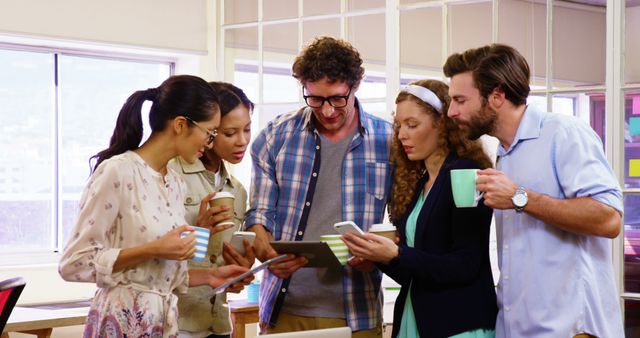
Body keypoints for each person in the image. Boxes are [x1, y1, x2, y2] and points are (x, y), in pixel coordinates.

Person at [444, 44, 624, 338]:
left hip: (570, 331)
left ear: (497, 96)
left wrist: (519, 198)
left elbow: (608, 219)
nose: (452, 112)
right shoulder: (503, 152)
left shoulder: (564, 133)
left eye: (460, 100)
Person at [59, 75, 249, 338]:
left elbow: (159, 275)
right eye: (210, 132)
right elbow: (73, 263)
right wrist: (154, 249)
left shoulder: (173, 182)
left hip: (161, 323)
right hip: (122, 321)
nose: (209, 142)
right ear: (181, 124)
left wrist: (211, 276)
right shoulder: (118, 171)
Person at [244, 36, 393, 337]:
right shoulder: (275, 136)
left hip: (358, 312)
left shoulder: (389, 141)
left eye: (338, 98)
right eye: (315, 98)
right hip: (284, 310)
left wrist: (380, 253)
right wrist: (266, 252)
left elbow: (405, 221)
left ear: (355, 87)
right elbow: (259, 215)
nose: (326, 111)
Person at [342, 80, 498, 338]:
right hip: (419, 319)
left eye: (412, 125)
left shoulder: (465, 175)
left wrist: (396, 254)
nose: (402, 134)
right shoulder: (420, 184)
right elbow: (415, 272)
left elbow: (465, 265)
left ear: (442, 124)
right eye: (399, 125)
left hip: (458, 324)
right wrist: (379, 257)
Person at [168, 82, 256, 338]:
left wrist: (240, 268)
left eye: (247, 129)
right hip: (177, 322)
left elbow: (218, 260)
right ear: (210, 129)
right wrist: (199, 232)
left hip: (218, 323)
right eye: (230, 133)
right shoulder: (171, 174)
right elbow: (153, 258)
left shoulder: (237, 190)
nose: (242, 141)